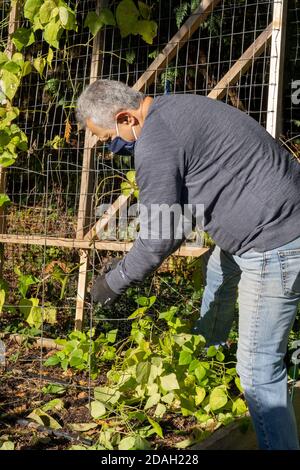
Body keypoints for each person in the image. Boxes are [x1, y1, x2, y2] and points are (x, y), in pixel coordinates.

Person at [76, 79, 300, 450]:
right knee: (219, 268)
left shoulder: (155, 143)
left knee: (259, 373)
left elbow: (160, 240)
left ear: (126, 117)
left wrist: (115, 280)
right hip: (282, 218)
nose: (111, 147)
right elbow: (178, 222)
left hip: (274, 242)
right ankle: (208, 361)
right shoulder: (174, 108)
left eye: (108, 138)